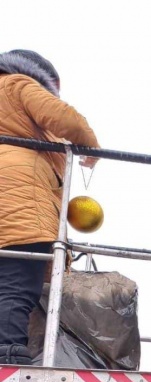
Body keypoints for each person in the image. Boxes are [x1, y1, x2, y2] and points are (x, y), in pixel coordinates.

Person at [0, 49, 100, 365]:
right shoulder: (17, 84)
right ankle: (9, 355)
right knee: (16, 284)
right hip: (18, 198)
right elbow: (66, 120)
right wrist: (91, 149)